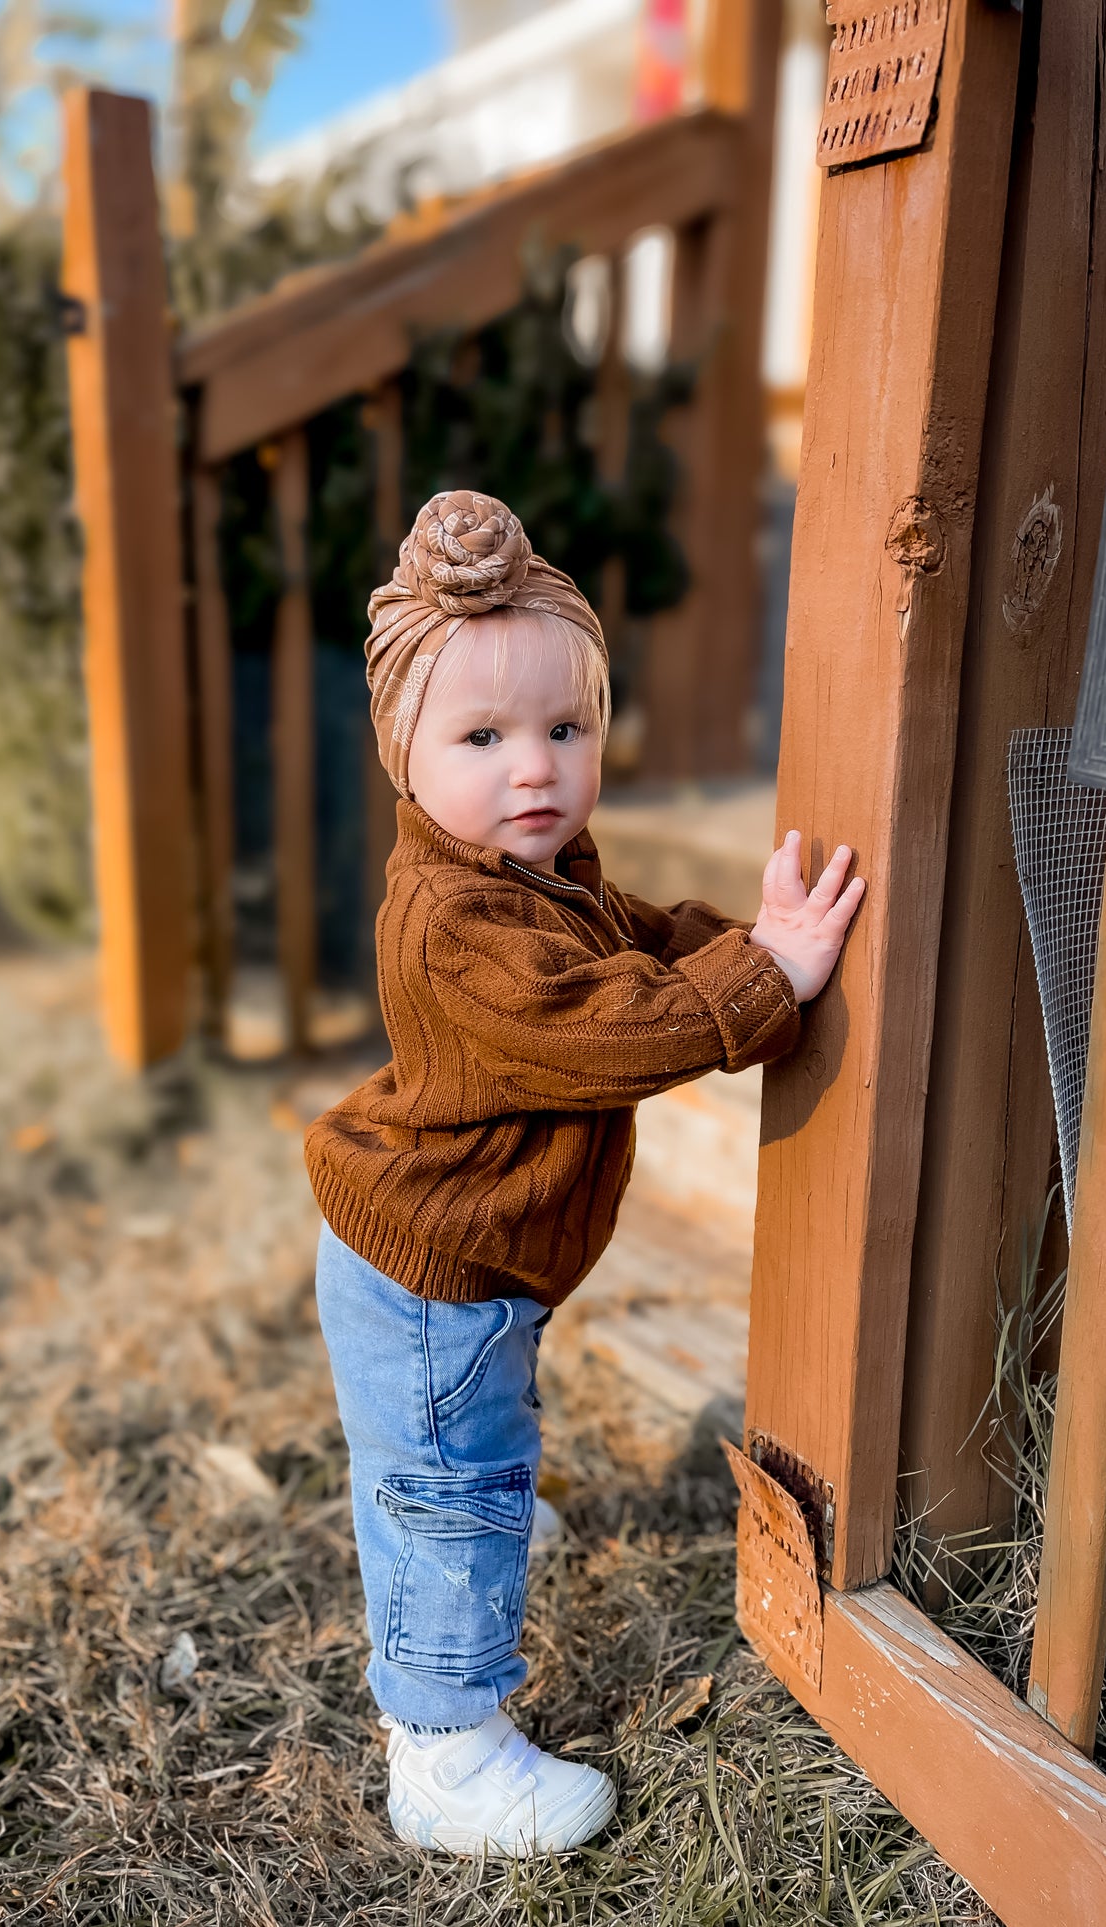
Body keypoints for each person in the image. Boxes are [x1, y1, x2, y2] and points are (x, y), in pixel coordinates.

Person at [305, 491, 863, 1857]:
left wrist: (745, 938)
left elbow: (642, 939)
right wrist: (761, 984)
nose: (534, 767)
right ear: (403, 754)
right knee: (451, 1481)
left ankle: (436, 1510)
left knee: (450, 1452)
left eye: (564, 729)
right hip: (433, 1265)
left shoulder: (532, 869)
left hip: (471, 1258)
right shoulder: (454, 920)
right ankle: (443, 1753)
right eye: (482, 738)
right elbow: (607, 1022)